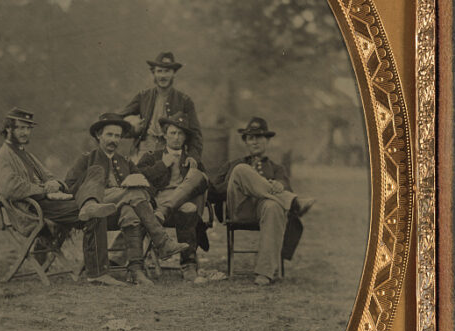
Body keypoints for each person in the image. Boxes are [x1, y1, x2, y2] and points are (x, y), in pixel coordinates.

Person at [0, 107, 123, 285]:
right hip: (33, 210)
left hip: (52, 202)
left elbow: (50, 177)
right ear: (8, 129)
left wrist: (56, 184)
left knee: (96, 171)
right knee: (93, 212)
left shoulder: (26, 154)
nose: (25, 132)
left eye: (28, 128)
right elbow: (9, 188)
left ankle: (93, 202)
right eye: (20, 128)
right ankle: (97, 272)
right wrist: (45, 189)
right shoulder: (1, 157)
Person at [65, 113, 188, 285]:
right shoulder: (87, 159)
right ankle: (161, 241)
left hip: (117, 214)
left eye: (117, 136)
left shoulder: (125, 161)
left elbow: (144, 185)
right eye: (109, 134)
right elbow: (70, 187)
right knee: (133, 194)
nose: (113, 139)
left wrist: (134, 187)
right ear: (99, 135)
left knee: (131, 211)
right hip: (93, 212)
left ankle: (136, 270)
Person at [210, 116, 315, 287]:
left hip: (262, 211)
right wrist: (237, 182)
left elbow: (286, 186)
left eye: (259, 137)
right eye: (251, 138)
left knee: (274, 206)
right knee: (241, 170)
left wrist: (278, 186)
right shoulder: (233, 164)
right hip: (238, 207)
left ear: (267, 141)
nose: (255, 142)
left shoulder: (277, 169)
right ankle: (294, 203)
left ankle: (265, 273)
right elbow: (215, 192)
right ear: (245, 142)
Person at [136, 113, 208, 282]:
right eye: (173, 133)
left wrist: (194, 169)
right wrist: (162, 165)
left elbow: (204, 185)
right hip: (156, 204)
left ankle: (189, 264)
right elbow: (137, 176)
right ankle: (162, 211)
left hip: (181, 206)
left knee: (189, 205)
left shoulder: (192, 160)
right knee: (182, 206)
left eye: (180, 134)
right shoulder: (152, 157)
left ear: (185, 138)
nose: (176, 138)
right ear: (165, 134)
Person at [118, 51, 203, 161]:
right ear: (154, 73)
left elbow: (195, 134)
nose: (163, 76)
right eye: (159, 71)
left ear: (174, 74)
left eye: (167, 71)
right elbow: (118, 120)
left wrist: (193, 157)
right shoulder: (143, 96)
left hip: (172, 150)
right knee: (138, 176)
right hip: (145, 148)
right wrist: (133, 129)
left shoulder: (184, 100)